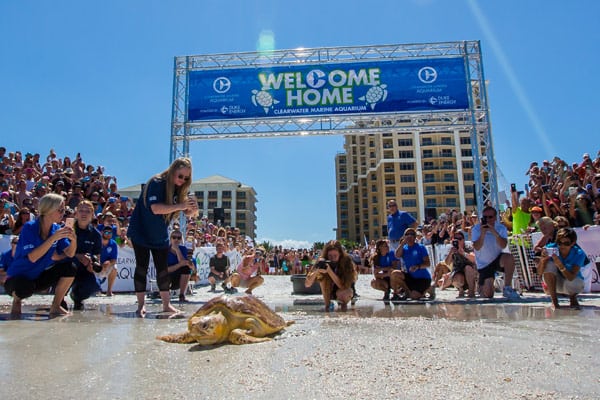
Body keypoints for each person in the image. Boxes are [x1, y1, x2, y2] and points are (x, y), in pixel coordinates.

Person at [127, 157, 198, 316]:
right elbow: (155, 208)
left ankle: (166, 305)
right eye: (180, 176)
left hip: (160, 233)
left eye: (186, 178)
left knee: (162, 270)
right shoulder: (157, 182)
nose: (182, 180)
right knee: (141, 267)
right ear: (173, 171)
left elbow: (188, 213)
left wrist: (191, 208)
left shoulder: (179, 189)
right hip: (142, 231)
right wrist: (181, 205)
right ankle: (140, 305)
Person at [4, 193, 77, 317]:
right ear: (49, 209)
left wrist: (74, 240)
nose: (63, 213)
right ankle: (17, 301)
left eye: (63, 210)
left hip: (37, 277)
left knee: (70, 267)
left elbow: (69, 254)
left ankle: (56, 306)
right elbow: (32, 257)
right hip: (17, 279)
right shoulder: (29, 227)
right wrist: (53, 238)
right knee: (23, 287)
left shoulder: (56, 228)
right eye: (60, 210)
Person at [471, 206, 521, 300]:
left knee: (509, 258)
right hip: (484, 264)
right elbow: (477, 247)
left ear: (495, 217)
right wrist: (483, 233)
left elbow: (503, 245)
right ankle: (481, 285)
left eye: (490, 217)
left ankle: (507, 287)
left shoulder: (501, 228)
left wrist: (494, 232)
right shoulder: (476, 229)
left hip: (497, 258)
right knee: (488, 294)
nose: (488, 219)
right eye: (485, 217)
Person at [538, 228, 587, 309]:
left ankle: (572, 297)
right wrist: (542, 261)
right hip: (554, 283)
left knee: (575, 283)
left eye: (566, 243)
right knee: (549, 264)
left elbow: (571, 277)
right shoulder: (550, 248)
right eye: (559, 243)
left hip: (572, 283)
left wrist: (560, 265)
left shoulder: (579, 253)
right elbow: (539, 272)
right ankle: (554, 301)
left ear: (573, 243)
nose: (562, 246)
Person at [305, 240, 357, 311]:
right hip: (329, 290)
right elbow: (307, 284)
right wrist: (317, 270)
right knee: (323, 279)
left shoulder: (347, 262)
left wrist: (329, 271)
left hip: (345, 289)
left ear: (340, 254)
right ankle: (327, 306)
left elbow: (343, 286)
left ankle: (343, 308)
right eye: (330, 256)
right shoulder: (322, 261)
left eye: (335, 256)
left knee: (345, 294)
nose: (332, 258)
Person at [69, 200, 103, 310]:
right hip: (67, 265)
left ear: (92, 215)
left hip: (84, 269)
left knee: (94, 285)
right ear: (76, 213)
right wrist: (78, 256)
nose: (84, 214)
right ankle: (59, 299)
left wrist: (91, 266)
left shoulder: (96, 235)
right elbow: (59, 253)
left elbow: (97, 258)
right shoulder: (68, 228)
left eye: (87, 211)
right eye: (81, 210)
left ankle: (77, 297)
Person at [393, 228, 433, 300]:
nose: (409, 236)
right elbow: (397, 255)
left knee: (414, 296)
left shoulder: (421, 247)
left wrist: (418, 266)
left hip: (423, 278)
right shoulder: (404, 248)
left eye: (411, 234)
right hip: (411, 277)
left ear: (415, 237)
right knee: (395, 274)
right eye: (407, 234)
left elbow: (428, 263)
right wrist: (402, 243)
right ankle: (406, 292)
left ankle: (428, 289)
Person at [444, 231, 477, 298]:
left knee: (468, 268)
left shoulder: (468, 247)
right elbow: (447, 263)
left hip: (470, 274)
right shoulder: (451, 248)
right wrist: (451, 253)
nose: (458, 240)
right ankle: (460, 289)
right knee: (457, 278)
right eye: (456, 238)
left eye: (460, 238)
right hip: (458, 273)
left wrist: (463, 253)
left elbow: (474, 259)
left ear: (463, 240)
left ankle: (471, 291)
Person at [166, 230, 194, 302]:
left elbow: (183, 263)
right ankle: (165, 294)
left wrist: (177, 250)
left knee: (186, 268)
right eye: (174, 237)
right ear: (170, 238)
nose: (176, 239)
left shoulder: (183, 248)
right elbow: (165, 269)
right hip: (167, 277)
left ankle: (182, 295)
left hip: (178, 277)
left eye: (178, 238)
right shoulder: (165, 250)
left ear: (181, 239)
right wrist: (179, 265)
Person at [99, 224, 119, 296]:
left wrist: (108, 263)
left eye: (110, 233)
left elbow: (114, 259)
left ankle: (109, 291)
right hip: (96, 265)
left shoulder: (113, 243)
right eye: (106, 232)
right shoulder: (97, 242)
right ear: (102, 232)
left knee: (114, 268)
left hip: (106, 266)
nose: (108, 234)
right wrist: (100, 265)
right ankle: (97, 289)